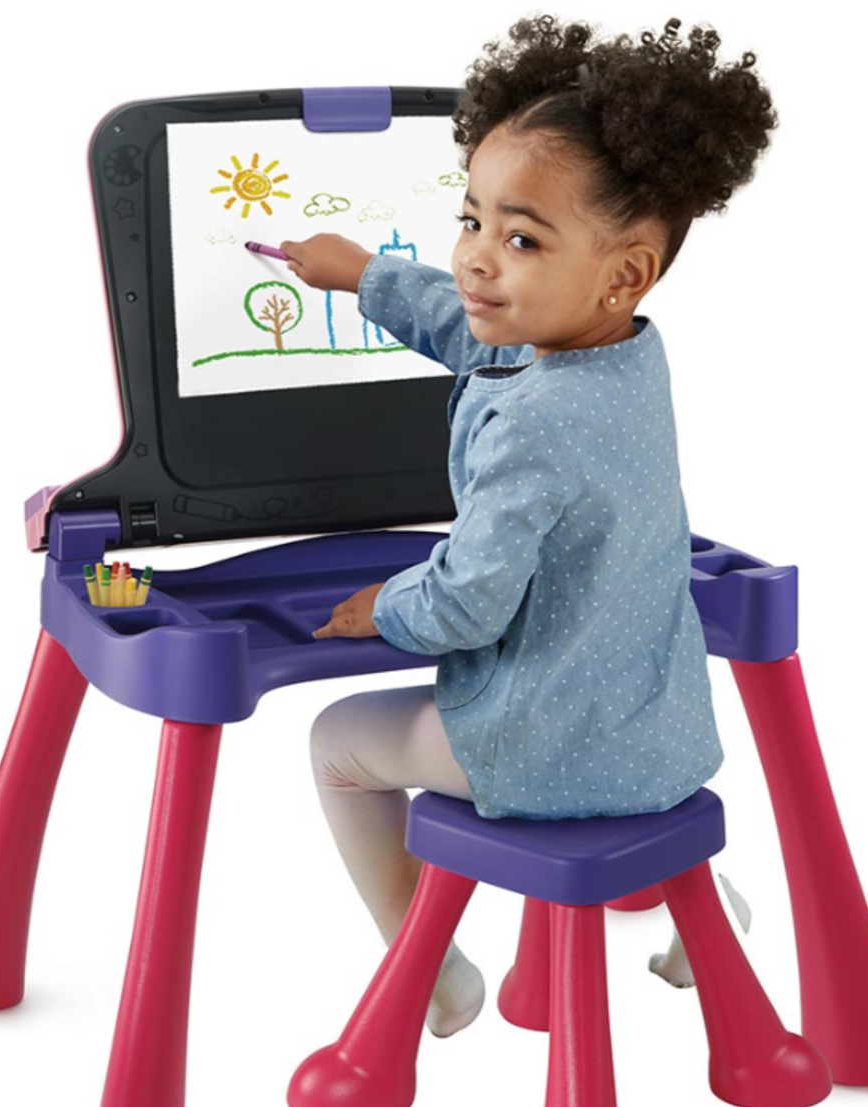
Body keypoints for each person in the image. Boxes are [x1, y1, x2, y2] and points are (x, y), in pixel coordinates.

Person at [280, 14, 777, 1038]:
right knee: (619, 784)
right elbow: (471, 331)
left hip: (546, 748)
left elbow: (466, 603)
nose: (474, 261)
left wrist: (385, 607)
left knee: (335, 743)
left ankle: (433, 973)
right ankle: (706, 917)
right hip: (662, 734)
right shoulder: (620, 352)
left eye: (519, 239)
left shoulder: (536, 423)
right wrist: (365, 274)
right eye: (469, 220)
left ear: (623, 271)